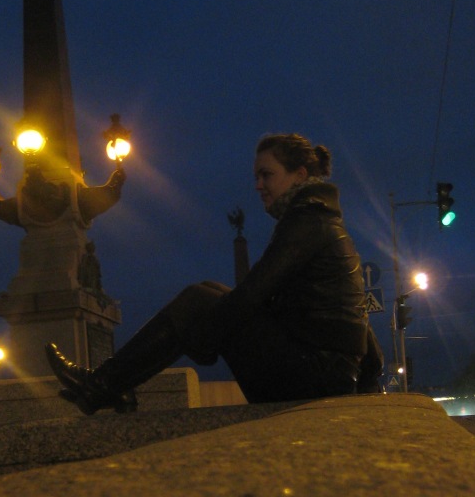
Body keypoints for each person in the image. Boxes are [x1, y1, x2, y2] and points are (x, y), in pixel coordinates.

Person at [46, 132, 380, 413]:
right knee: (211, 290)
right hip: (324, 373)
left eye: (266, 175)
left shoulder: (306, 222)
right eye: (256, 177)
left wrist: (199, 333)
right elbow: (356, 324)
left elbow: (251, 295)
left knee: (199, 300)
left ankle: (102, 385)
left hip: (315, 379)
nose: (258, 185)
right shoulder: (319, 219)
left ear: (300, 175)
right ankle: (114, 385)